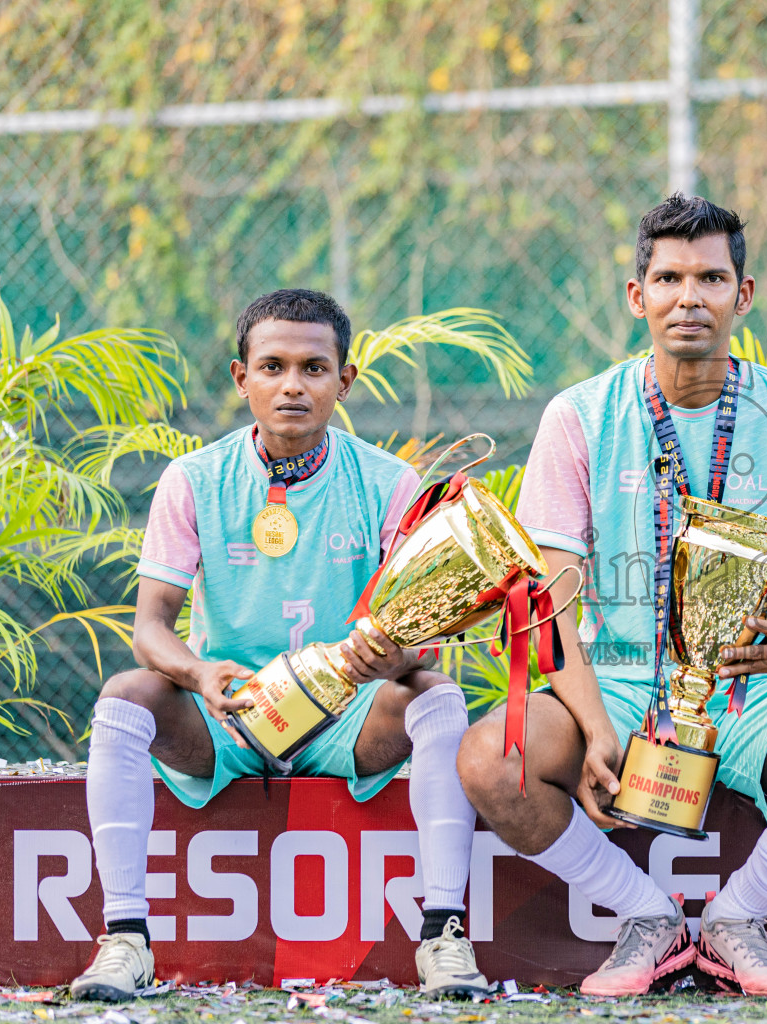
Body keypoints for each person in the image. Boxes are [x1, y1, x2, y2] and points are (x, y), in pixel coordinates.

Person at [458, 194, 767, 996]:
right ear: (638, 296)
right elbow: (544, 605)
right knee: (493, 758)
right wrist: (593, 723)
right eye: (667, 278)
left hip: (759, 686)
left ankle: (736, 921)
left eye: (710, 277)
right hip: (625, 680)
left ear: (745, 294)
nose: (688, 296)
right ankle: (647, 918)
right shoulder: (581, 415)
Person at [71, 290, 487, 1001]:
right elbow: (149, 629)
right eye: (272, 366)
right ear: (242, 379)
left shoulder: (391, 483)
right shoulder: (194, 480)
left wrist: (394, 658)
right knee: (123, 699)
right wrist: (200, 673)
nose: (292, 384)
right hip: (229, 716)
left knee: (438, 699)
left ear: (344, 381)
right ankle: (125, 941)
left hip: (345, 718)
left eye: (313, 368)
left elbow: (425, 636)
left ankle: (444, 936)